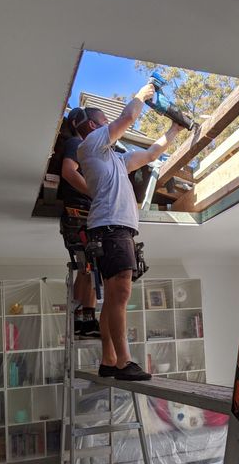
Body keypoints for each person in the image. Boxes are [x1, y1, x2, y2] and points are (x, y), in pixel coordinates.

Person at [74, 84, 183, 381]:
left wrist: (175, 130)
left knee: (113, 296)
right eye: (103, 120)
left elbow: (150, 154)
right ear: (94, 126)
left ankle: (109, 361)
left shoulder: (117, 161)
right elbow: (127, 119)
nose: (107, 124)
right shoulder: (91, 145)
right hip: (111, 226)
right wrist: (142, 93)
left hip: (116, 228)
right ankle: (124, 362)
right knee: (120, 292)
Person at [59, 108, 99, 339]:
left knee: (85, 270)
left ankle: (82, 322)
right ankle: (87, 321)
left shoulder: (79, 145)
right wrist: (96, 193)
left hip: (77, 216)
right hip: (80, 214)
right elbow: (68, 171)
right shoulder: (76, 143)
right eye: (101, 122)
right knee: (91, 269)